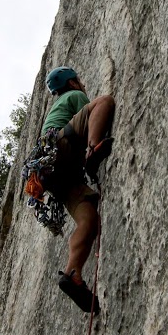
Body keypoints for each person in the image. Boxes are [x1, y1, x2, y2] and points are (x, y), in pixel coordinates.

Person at [41, 66, 114, 314]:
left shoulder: (56, 107)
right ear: (71, 83)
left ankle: (73, 274)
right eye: (78, 81)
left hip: (51, 175)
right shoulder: (73, 97)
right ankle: (95, 147)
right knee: (103, 101)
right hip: (59, 149)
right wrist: (90, 149)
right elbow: (89, 112)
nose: (81, 84)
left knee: (88, 218)